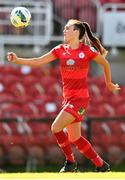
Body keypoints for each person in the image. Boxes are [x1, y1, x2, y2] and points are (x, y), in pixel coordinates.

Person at [7, 19, 120, 172]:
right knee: (75, 138)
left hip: (80, 99)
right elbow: (38, 61)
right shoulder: (60, 49)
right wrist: (17, 60)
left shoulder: (87, 51)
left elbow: (105, 63)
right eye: (65, 28)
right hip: (68, 98)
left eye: (68, 28)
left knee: (56, 128)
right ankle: (101, 165)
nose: (64, 31)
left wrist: (108, 84)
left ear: (77, 32)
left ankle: (70, 162)